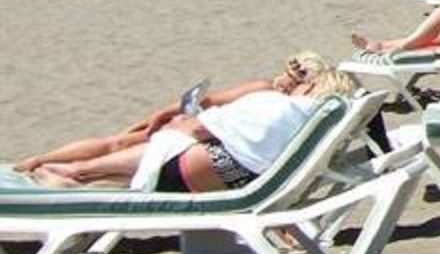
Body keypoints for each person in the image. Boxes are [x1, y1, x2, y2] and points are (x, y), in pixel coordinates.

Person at [20, 54, 349, 190]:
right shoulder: (310, 121)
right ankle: (67, 173)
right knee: (113, 155)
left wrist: (171, 121)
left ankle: (62, 171)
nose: (289, 78)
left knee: (112, 150)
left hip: (208, 162)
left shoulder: (273, 101)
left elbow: (201, 118)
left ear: (312, 85)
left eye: (300, 76)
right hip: (239, 173)